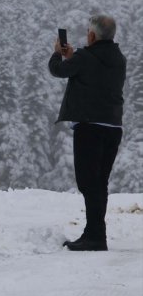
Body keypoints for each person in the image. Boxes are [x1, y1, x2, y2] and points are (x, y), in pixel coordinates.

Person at [48, 14, 126, 251]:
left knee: (88, 183)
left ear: (92, 35)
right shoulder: (119, 58)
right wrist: (75, 57)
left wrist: (58, 54)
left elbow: (58, 70)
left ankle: (94, 236)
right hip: (113, 127)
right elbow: (93, 73)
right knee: (99, 182)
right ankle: (96, 233)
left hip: (89, 128)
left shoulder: (84, 57)